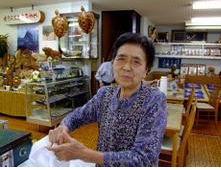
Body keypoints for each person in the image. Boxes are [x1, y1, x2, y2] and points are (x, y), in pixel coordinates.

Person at [48, 33, 167, 167]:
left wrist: (84, 154)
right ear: (113, 63)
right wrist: (64, 127)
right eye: (121, 59)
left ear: (146, 70)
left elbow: (143, 158)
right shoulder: (105, 94)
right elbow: (78, 116)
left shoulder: (154, 100)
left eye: (136, 61)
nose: (126, 67)